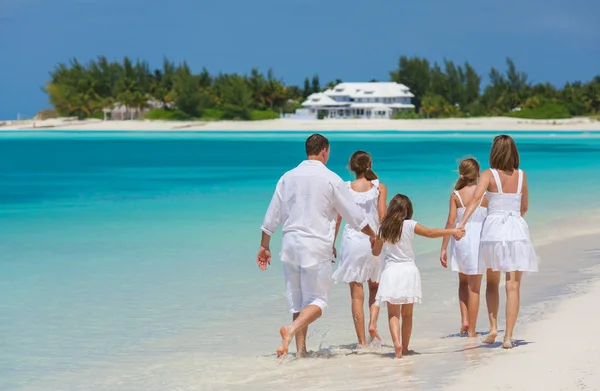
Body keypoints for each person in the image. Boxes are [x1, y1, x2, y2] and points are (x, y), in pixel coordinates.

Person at [257, 134, 377, 358]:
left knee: (298, 302)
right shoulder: (332, 179)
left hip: (290, 245)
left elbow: (272, 215)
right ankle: (290, 331)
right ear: (324, 151)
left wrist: (264, 245)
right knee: (318, 302)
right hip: (315, 246)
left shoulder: (287, 177)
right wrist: (372, 234)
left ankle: (301, 353)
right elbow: (353, 215)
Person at [456, 135, 538, 349]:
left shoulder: (488, 174)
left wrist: (462, 223)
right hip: (516, 229)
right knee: (513, 285)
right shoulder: (522, 175)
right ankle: (508, 337)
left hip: (493, 230)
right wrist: (514, 219)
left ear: (494, 152)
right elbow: (525, 207)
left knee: (492, 282)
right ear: (514, 152)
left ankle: (493, 328)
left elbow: (475, 201)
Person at [369, 194, 465, 358]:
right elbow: (430, 232)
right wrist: (453, 230)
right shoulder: (410, 225)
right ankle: (405, 348)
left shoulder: (382, 227)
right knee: (407, 314)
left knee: (393, 314)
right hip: (408, 272)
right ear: (408, 210)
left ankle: (397, 345)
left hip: (391, 272)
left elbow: (376, 253)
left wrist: (374, 243)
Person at [331, 151, 388, 348]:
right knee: (375, 287)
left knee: (356, 294)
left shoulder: (345, 189)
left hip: (352, 242)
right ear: (369, 165)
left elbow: (338, 219)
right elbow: (382, 217)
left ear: (351, 167)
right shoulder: (379, 187)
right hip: (374, 241)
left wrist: (331, 243)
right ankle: (372, 326)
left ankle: (362, 343)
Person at [440, 158, 488, 337]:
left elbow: (450, 222)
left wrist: (443, 248)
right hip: (479, 240)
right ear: (477, 174)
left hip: (460, 239)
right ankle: (472, 331)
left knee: (462, 282)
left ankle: (465, 321)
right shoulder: (484, 194)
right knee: (474, 287)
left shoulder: (456, 195)